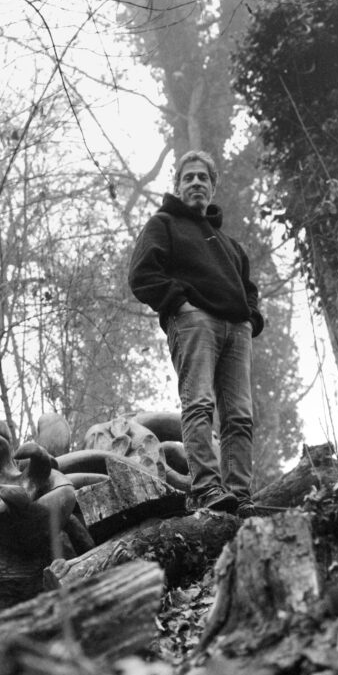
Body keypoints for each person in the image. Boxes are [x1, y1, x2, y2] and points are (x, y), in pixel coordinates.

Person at [128, 150, 264, 517]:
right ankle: (206, 489)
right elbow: (142, 275)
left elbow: (249, 288)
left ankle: (239, 495)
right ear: (178, 185)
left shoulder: (229, 245)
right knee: (199, 403)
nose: (196, 183)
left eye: (203, 177)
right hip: (194, 322)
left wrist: (250, 319)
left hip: (236, 330)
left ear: (212, 186)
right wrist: (180, 303)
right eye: (188, 177)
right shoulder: (163, 224)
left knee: (239, 416)